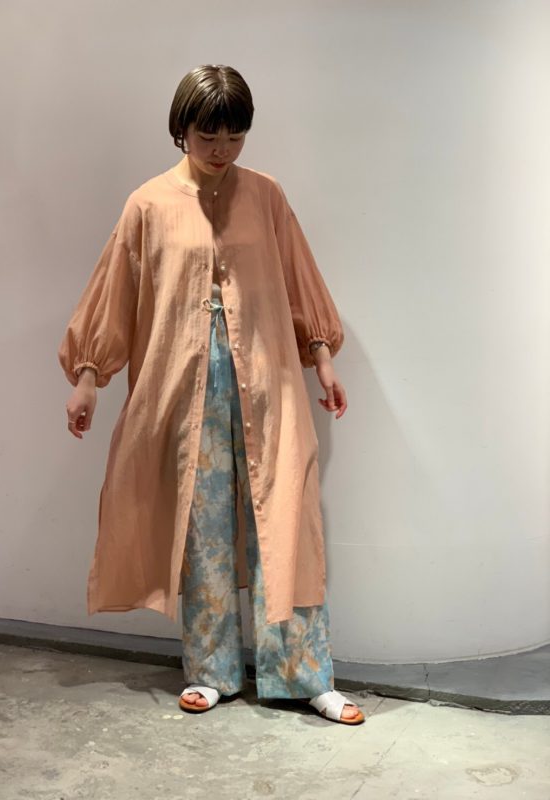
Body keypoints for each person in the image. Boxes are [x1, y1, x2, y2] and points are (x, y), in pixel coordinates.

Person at [58, 64, 365, 725]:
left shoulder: (266, 196)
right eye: (208, 137)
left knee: (286, 524)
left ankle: (305, 675)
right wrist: (88, 378)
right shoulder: (148, 205)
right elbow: (115, 295)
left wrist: (322, 360)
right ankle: (212, 669)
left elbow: (298, 279)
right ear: (182, 130)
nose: (222, 150)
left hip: (271, 386)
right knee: (203, 531)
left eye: (235, 137)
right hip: (183, 392)